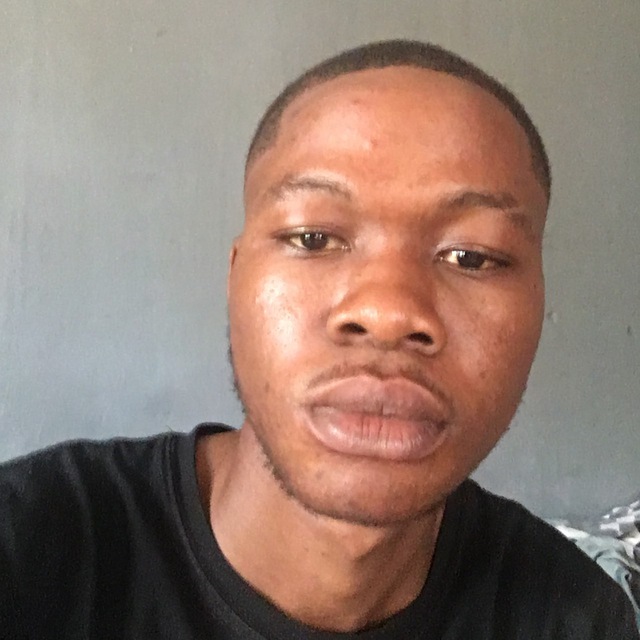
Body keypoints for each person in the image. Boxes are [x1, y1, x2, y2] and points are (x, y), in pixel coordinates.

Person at [0, 39, 637, 639]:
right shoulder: (29, 554)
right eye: (314, 238)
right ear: (234, 278)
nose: (387, 312)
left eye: (471, 256)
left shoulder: (575, 617)